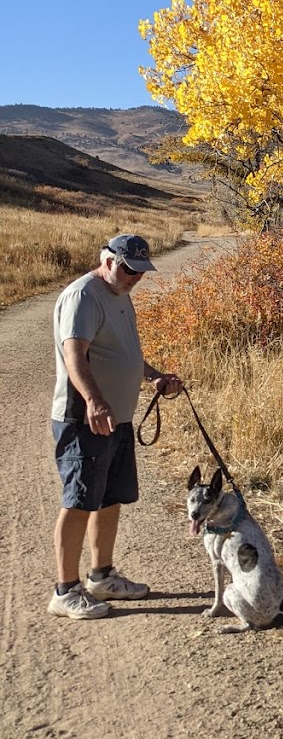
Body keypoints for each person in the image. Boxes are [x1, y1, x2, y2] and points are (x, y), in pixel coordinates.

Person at [49, 233, 183, 619]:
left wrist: (154, 376)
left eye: (140, 272)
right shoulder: (83, 296)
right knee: (78, 501)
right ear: (108, 260)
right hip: (84, 418)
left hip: (116, 418)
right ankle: (64, 590)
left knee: (109, 498)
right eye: (128, 269)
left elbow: (125, 354)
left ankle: (101, 576)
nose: (134, 277)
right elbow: (74, 353)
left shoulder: (120, 294)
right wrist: (93, 400)